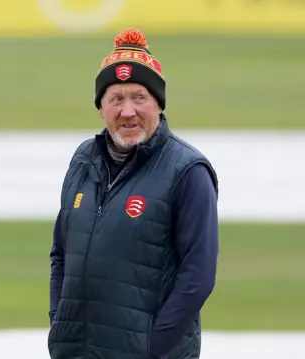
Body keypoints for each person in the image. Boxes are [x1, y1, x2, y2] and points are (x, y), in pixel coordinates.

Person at [47, 28, 219, 359]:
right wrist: (59, 324)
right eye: (116, 99)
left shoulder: (188, 171)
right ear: (101, 108)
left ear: (158, 103)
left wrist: (152, 350)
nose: (128, 111)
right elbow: (60, 255)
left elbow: (198, 277)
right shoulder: (83, 160)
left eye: (139, 97)